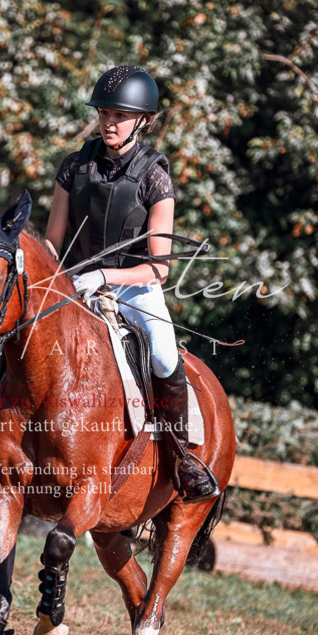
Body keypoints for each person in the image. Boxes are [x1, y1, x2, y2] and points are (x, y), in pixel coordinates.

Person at [44, 64, 218, 503]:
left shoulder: (155, 176)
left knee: (162, 353)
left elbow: (159, 269)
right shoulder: (73, 166)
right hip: (74, 285)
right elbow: (51, 241)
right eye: (104, 113)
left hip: (132, 287)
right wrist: (56, 280)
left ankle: (182, 457)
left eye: (119, 115)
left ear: (143, 120)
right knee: (25, 334)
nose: (109, 122)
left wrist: (104, 275)